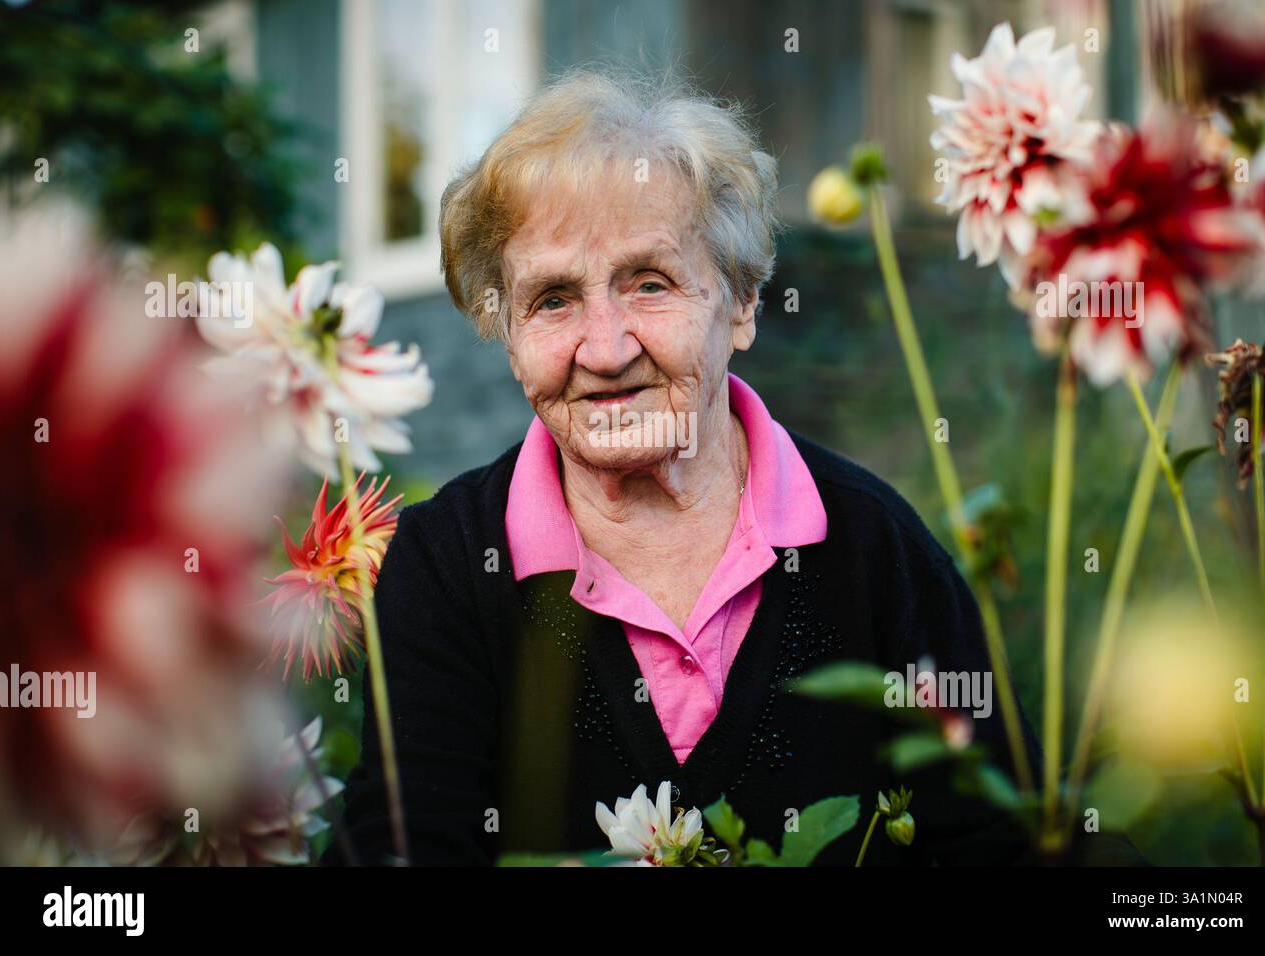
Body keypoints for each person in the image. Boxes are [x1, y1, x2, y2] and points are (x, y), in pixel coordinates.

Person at [329, 69, 1122, 867]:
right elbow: (405, 847)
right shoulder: (448, 566)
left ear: (740, 304)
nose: (605, 350)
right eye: (554, 300)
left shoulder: (868, 545)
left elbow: (1008, 839)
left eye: (649, 283)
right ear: (508, 335)